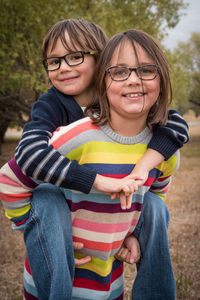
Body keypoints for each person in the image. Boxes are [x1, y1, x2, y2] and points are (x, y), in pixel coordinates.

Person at [0, 20, 188, 300]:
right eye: (53, 62)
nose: (64, 67)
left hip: (102, 234)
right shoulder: (53, 106)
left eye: (75, 56)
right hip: (58, 207)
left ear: (103, 61)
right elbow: (27, 155)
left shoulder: (122, 99)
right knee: (47, 196)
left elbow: (176, 125)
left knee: (152, 205)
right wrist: (48, 242)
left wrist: (142, 170)